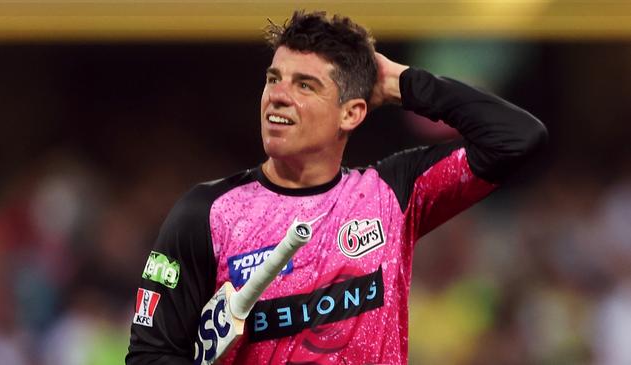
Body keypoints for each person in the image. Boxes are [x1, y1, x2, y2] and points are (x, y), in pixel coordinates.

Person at [126, 10, 547, 365]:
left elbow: (517, 137)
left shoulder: (392, 194)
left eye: (305, 85)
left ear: (352, 113)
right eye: (274, 79)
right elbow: (149, 355)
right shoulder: (207, 213)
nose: (278, 96)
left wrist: (402, 83)